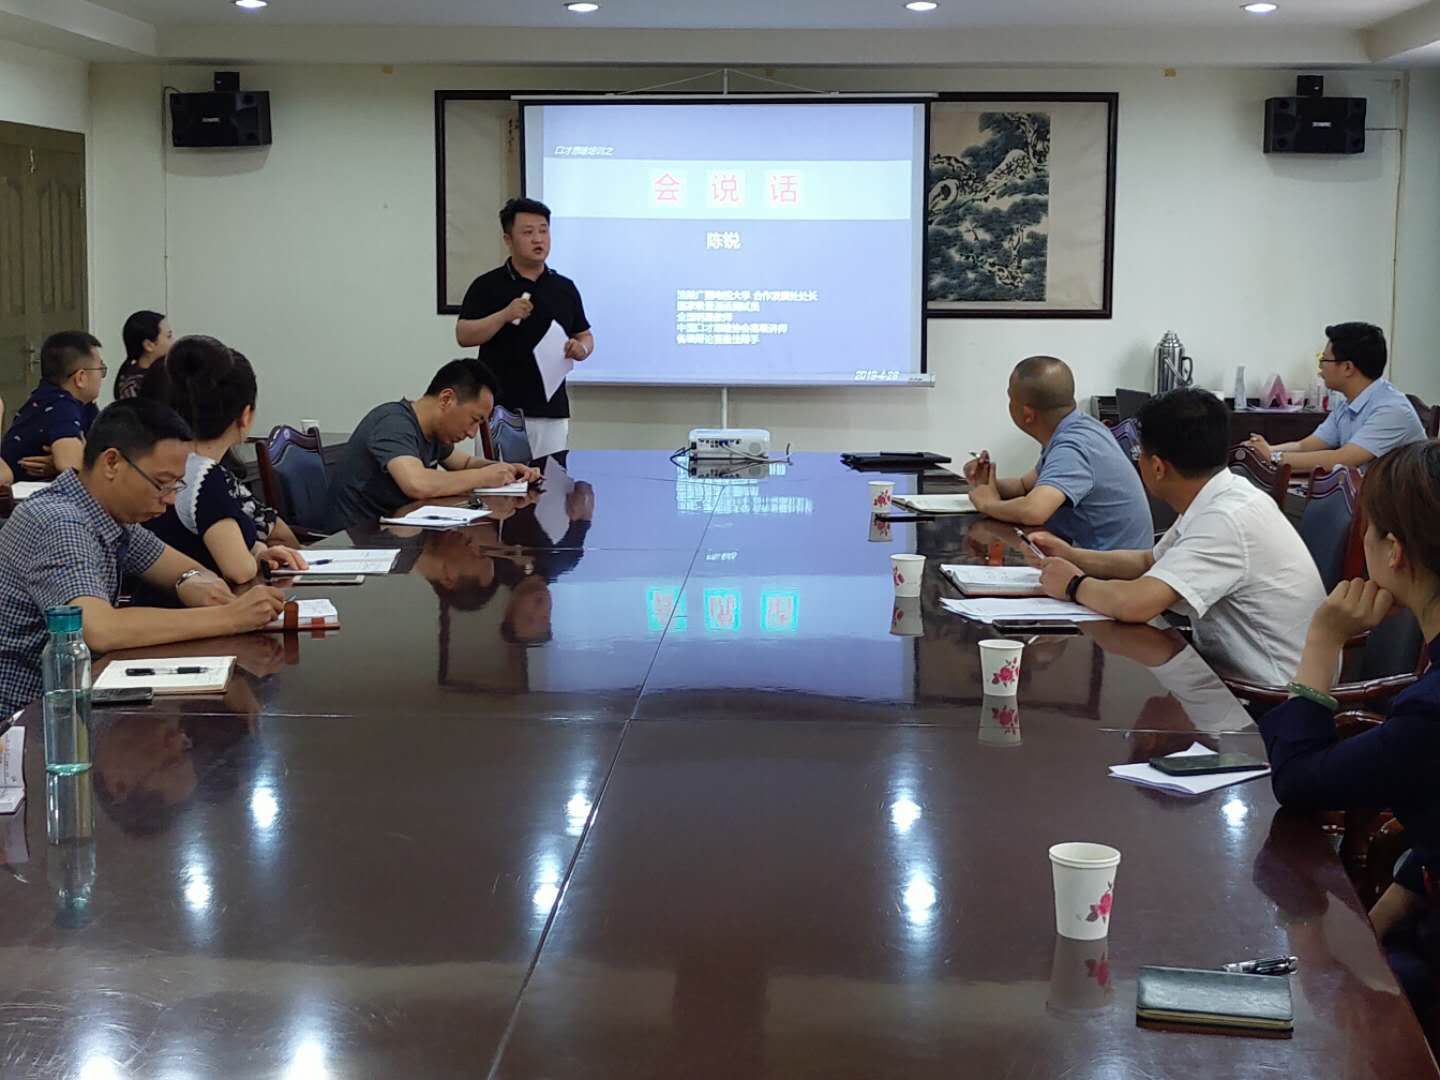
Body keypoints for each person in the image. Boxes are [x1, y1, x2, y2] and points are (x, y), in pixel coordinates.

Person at [1255, 440, 1440, 1015]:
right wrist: (1378, 920)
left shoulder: (1430, 713)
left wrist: (1322, 639)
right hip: (1419, 911)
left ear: (1394, 550)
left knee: (1298, 1000)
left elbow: (1297, 781)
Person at [0, 398, 288, 716]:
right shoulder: (59, 521)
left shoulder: (107, 514)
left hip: (76, 700)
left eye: (176, 485)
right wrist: (231, 618)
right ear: (112, 463)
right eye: (161, 483)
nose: (169, 499)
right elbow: (98, 629)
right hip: (28, 720)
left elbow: (180, 567)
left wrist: (189, 580)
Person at [1030, 387, 1325, 687]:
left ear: (1157, 467)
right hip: (1227, 674)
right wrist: (1071, 556)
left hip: (1270, 696)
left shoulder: (1225, 518)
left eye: (1139, 454)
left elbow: (1136, 604)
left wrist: (1073, 584)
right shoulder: (1220, 494)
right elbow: (1149, 562)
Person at [140, 335, 307, 590]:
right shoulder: (204, 476)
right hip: (194, 608)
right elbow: (238, 570)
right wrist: (254, 558)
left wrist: (259, 553)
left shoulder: (165, 463)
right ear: (245, 415)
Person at [322, 358, 538, 532]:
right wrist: (485, 476)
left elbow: (465, 463)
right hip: (356, 542)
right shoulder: (393, 423)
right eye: (474, 420)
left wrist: (507, 470)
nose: (472, 433)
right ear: (446, 399)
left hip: (394, 534)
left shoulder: (433, 432)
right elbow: (417, 483)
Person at [964, 355, 1152, 551]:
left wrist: (988, 505)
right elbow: (1024, 486)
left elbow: (1034, 511)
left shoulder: (1073, 446)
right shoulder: (1081, 427)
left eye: (1010, 398)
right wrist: (988, 481)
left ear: (1028, 414)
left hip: (1109, 565)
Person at [454, 197, 594, 460]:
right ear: (508, 239)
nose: (538, 239)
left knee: (550, 481)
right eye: (528, 232)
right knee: (499, 481)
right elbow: (464, 334)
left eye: (543, 231)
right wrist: (504, 315)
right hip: (500, 410)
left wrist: (581, 349)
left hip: (551, 409)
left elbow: (585, 334)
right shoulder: (487, 285)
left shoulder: (564, 287)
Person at [1247, 322, 1425, 474]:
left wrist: (1273, 457)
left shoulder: (1392, 410)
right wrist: (1264, 449)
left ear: (1347, 367)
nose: (1320, 368)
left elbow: (1341, 459)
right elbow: (1305, 446)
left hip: (1400, 502)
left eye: (1324, 360)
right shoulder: (1347, 404)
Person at [2, 331, 105, 480]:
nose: (102, 377)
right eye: (100, 370)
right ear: (80, 378)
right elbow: (70, 465)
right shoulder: (59, 405)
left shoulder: (83, 404)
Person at [113, 310, 173, 401]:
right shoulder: (132, 386)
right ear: (149, 345)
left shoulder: (170, 372)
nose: (174, 341)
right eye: (169, 336)